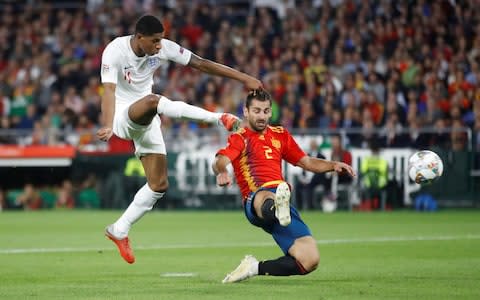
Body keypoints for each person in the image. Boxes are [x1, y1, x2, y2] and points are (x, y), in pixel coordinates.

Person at [98, 15, 262, 264]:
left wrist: (244, 78)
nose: (158, 46)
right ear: (139, 37)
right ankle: (220, 119)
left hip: (148, 117)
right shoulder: (114, 51)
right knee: (154, 100)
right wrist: (108, 123)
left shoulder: (162, 47)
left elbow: (202, 64)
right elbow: (109, 90)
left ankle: (119, 230)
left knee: (159, 185)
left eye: (161, 40)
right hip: (123, 115)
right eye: (154, 41)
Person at [212, 90, 355, 283]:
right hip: (256, 198)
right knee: (267, 197)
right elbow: (220, 160)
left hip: (282, 201)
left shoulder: (280, 134)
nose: (261, 116)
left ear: (271, 112)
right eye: (256, 111)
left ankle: (253, 267)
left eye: (265, 111)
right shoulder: (241, 137)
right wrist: (222, 171)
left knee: (309, 260)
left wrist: (333, 165)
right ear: (246, 112)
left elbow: (306, 162)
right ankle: (278, 205)